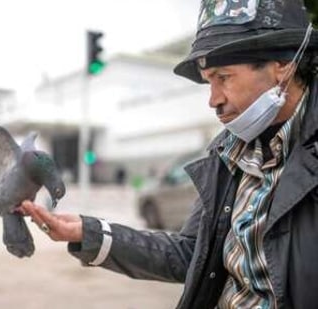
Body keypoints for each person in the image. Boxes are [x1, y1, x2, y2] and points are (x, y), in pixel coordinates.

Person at [18, 1, 318, 308]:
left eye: (224, 77)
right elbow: (191, 254)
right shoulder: (226, 153)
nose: (213, 100)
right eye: (208, 82)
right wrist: (89, 232)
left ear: (284, 64)